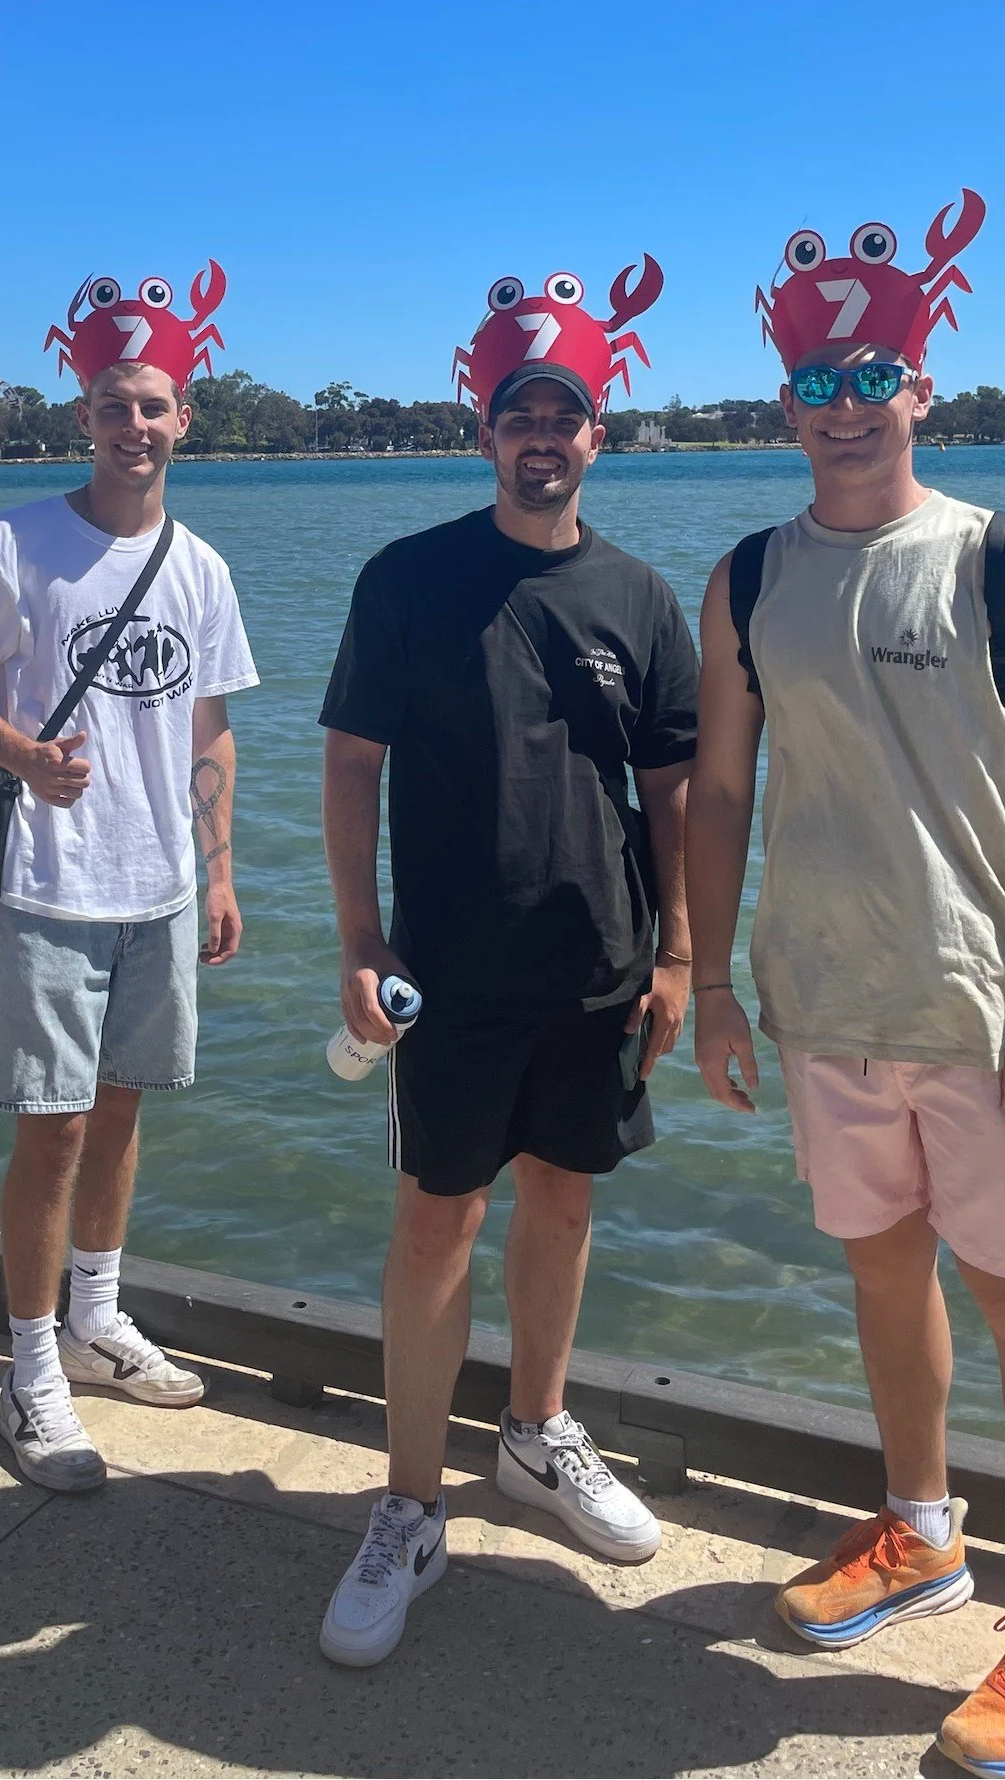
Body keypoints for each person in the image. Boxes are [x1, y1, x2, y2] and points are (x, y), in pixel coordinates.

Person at [686, 192, 1005, 1777]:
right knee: (883, 1277)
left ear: (920, 385)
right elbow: (720, 797)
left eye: (875, 373)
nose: (848, 402)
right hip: (821, 1004)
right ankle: (921, 1533)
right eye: (818, 381)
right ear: (784, 405)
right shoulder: (746, 577)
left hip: (983, 1011)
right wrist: (712, 982)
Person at [316, 260, 699, 1666]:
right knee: (435, 1225)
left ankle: (536, 1435)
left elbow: (673, 795)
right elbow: (351, 767)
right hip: (448, 977)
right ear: (484, 432)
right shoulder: (408, 580)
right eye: (518, 414)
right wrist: (360, 940)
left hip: (601, 968)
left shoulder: (644, 600)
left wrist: (680, 957)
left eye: (567, 414)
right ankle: (409, 1503)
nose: (543, 436)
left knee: (564, 1204)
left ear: (600, 434)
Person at [0, 263, 257, 1493]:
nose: (135, 427)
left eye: (155, 407)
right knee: (51, 1134)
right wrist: (17, 751)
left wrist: (218, 874)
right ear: (87, 418)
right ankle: (28, 1370)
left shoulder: (201, 566)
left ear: (185, 422)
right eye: (115, 407)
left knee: (123, 1111)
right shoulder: (17, 542)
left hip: (159, 888)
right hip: (47, 886)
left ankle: (96, 1317)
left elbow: (207, 730)